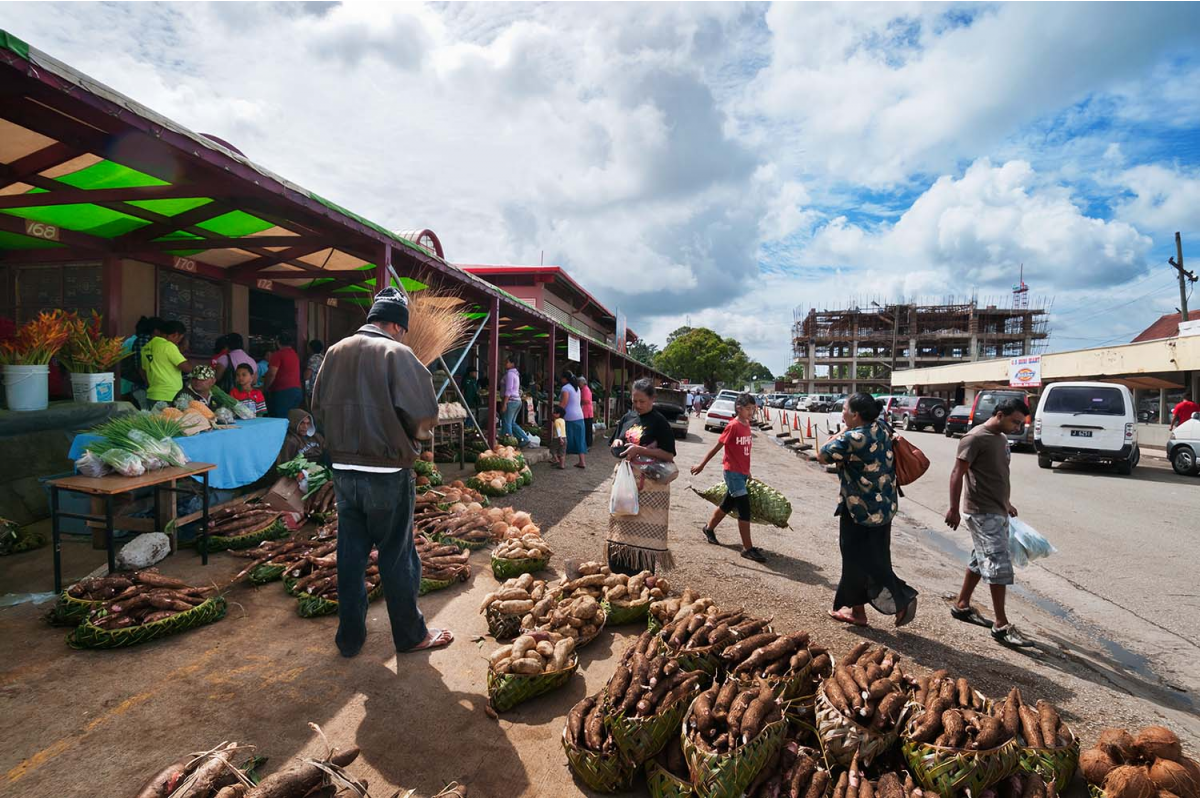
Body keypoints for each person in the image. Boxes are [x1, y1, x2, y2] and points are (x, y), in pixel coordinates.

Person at [311, 287, 449, 657]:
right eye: (402, 329)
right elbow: (423, 415)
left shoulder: (335, 351)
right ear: (394, 325)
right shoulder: (397, 353)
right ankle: (410, 635)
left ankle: (349, 639)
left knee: (351, 556)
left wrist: (338, 445)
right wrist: (414, 442)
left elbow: (317, 407)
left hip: (344, 472)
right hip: (386, 472)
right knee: (397, 555)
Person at [816, 393, 918, 628]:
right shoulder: (881, 427)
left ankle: (901, 599)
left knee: (859, 561)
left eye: (844, 409)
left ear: (855, 415)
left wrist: (841, 431)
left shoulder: (853, 438)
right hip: (885, 508)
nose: (842, 413)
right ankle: (858, 612)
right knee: (874, 557)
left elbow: (821, 455)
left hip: (859, 511)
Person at [944, 397, 1034, 648]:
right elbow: (957, 473)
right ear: (1000, 414)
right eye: (1015, 421)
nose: (1018, 427)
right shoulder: (974, 438)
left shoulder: (1002, 439)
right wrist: (953, 508)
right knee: (998, 565)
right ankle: (1001, 626)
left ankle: (962, 605)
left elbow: (996, 474)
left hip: (997, 510)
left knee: (979, 559)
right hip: (981, 512)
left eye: (1021, 423)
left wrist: (1006, 503)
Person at [607, 378, 678, 573]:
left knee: (643, 532)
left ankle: (641, 576)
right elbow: (616, 440)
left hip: (649, 487)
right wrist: (616, 445)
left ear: (652, 399)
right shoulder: (627, 418)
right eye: (634, 401)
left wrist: (640, 450)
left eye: (642, 402)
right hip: (625, 481)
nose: (637, 405)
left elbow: (669, 455)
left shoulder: (659, 422)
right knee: (621, 522)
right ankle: (617, 571)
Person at [691, 393, 768, 563]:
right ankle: (747, 548)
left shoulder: (747, 424)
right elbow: (717, 447)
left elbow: (744, 451)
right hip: (732, 473)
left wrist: (747, 471)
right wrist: (701, 465)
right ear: (739, 409)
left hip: (741, 473)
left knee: (727, 504)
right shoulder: (733, 426)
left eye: (753, 409)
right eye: (748, 409)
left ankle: (709, 528)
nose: (751, 412)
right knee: (744, 509)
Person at [142, 320, 192, 404]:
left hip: (152, 393)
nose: (177, 342)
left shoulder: (145, 348)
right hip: (169, 394)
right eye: (179, 339)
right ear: (175, 335)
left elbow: (143, 371)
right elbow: (187, 368)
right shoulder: (168, 346)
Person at [121, 315, 161, 408]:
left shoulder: (130, 340)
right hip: (131, 383)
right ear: (156, 330)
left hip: (126, 382)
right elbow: (140, 366)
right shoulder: (141, 342)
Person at [264, 330, 302, 418]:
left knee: (280, 419)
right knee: (291, 419)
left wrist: (265, 388)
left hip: (283, 392)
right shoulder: (294, 354)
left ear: (277, 342)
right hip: (297, 390)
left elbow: (271, 374)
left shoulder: (278, 354)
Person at [500, 355, 531, 446]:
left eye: (507, 362)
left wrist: (504, 403)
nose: (505, 363)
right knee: (511, 422)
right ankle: (524, 439)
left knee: (507, 423)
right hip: (517, 401)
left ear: (512, 364)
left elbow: (509, 390)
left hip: (511, 401)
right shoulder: (515, 373)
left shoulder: (510, 374)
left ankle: (508, 444)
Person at [560, 371, 587, 468]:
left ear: (565, 378)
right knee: (580, 440)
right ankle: (582, 461)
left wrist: (556, 414)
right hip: (580, 416)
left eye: (561, 378)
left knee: (564, 439)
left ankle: (561, 462)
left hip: (569, 417)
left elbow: (564, 403)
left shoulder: (565, 388)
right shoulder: (577, 388)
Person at [578, 375, 595, 451]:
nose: (579, 384)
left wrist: (579, 400)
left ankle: (588, 444)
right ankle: (587, 444)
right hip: (586, 411)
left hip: (587, 412)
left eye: (579, 382)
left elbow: (586, 400)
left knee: (587, 429)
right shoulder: (584, 389)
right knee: (587, 429)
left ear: (583, 383)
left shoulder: (585, 390)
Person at [550, 404, 567, 469]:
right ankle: (562, 465)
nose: (553, 413)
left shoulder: (556, 421)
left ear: (558, 414)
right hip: (564, 438)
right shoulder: (563, 420)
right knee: (562, 452)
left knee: (552, 449)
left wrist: (560, 438)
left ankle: (556, 459)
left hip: (558, 438)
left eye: (554, 412)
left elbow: (558, 429)